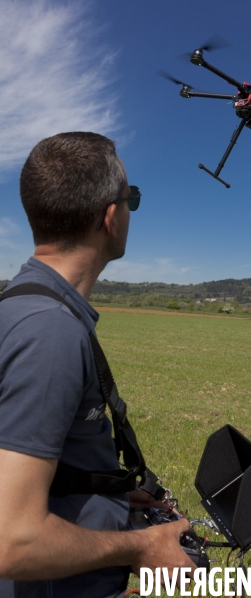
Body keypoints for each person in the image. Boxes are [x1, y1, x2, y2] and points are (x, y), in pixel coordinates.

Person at [0, 132, 195, 598]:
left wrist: (103, 491)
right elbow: (13, 541)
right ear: (110, 216)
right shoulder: (50, 331)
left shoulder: (21, 306)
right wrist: (141, 547)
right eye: (133, 199)